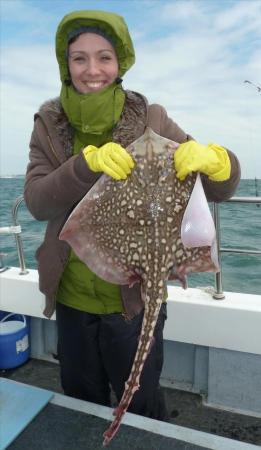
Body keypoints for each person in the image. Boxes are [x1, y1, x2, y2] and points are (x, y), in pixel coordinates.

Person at [24, 10, 240, 420]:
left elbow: (219, 187)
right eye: (79, 58)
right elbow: (37, 202)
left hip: (135, 298)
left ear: (120, 62)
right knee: (79, 397)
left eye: (104, 57)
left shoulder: (151, 118)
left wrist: (219, 162)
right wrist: (85, 167)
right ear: (65, 64)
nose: (92, 69)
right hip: (72, 294)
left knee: (140, 398)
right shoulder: (48, 125)